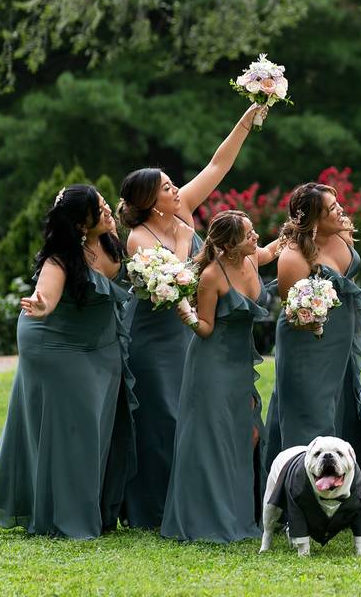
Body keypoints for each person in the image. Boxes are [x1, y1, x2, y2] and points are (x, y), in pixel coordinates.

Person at [118, 103, 264, 528]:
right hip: (155, 333)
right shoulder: (137, 239)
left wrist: (247, 118)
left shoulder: (183, 208)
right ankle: (156, 507)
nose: (175, 189)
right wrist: (186, 239)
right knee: (162, 415)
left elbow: (218, 164)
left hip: (195, 326)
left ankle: (195, 497)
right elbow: (175, 279)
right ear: (149, 200)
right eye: (166, 187)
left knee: (193, 413)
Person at [0, 185, 135, 538]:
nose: (106, 210)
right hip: (55, 342)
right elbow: (48, 297)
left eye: (103, 203)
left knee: (98, 425)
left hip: (101, 342)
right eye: (98, 208)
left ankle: (96, 508)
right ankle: (64, 516)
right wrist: (41, 305)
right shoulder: (60, 258)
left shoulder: (111, 241)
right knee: (74, 427)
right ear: (81, 223)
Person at [160, 210, 277, 543]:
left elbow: (273, 249)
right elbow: (207, 329)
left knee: (243, 433)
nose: (255, 237)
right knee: (211, 436)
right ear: (228, 245)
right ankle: (207, 518)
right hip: (211, 363)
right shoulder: (213, 275)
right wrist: (187, 316)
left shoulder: (252, 259)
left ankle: (240, 514)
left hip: (240, 362)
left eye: (254, 231)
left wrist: (296, 228)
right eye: (248, 234)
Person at [263, 182, 361, 469]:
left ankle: (343, 492)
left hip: (339, 344)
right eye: (332, 209)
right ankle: (301, 493)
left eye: (338, 205)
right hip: (308, 346)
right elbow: (293, 313)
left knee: (341, 409)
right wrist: (314, 312)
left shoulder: (341, 232)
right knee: (310, 414)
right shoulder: (293, 257)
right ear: (314, 220)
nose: (341, 211)